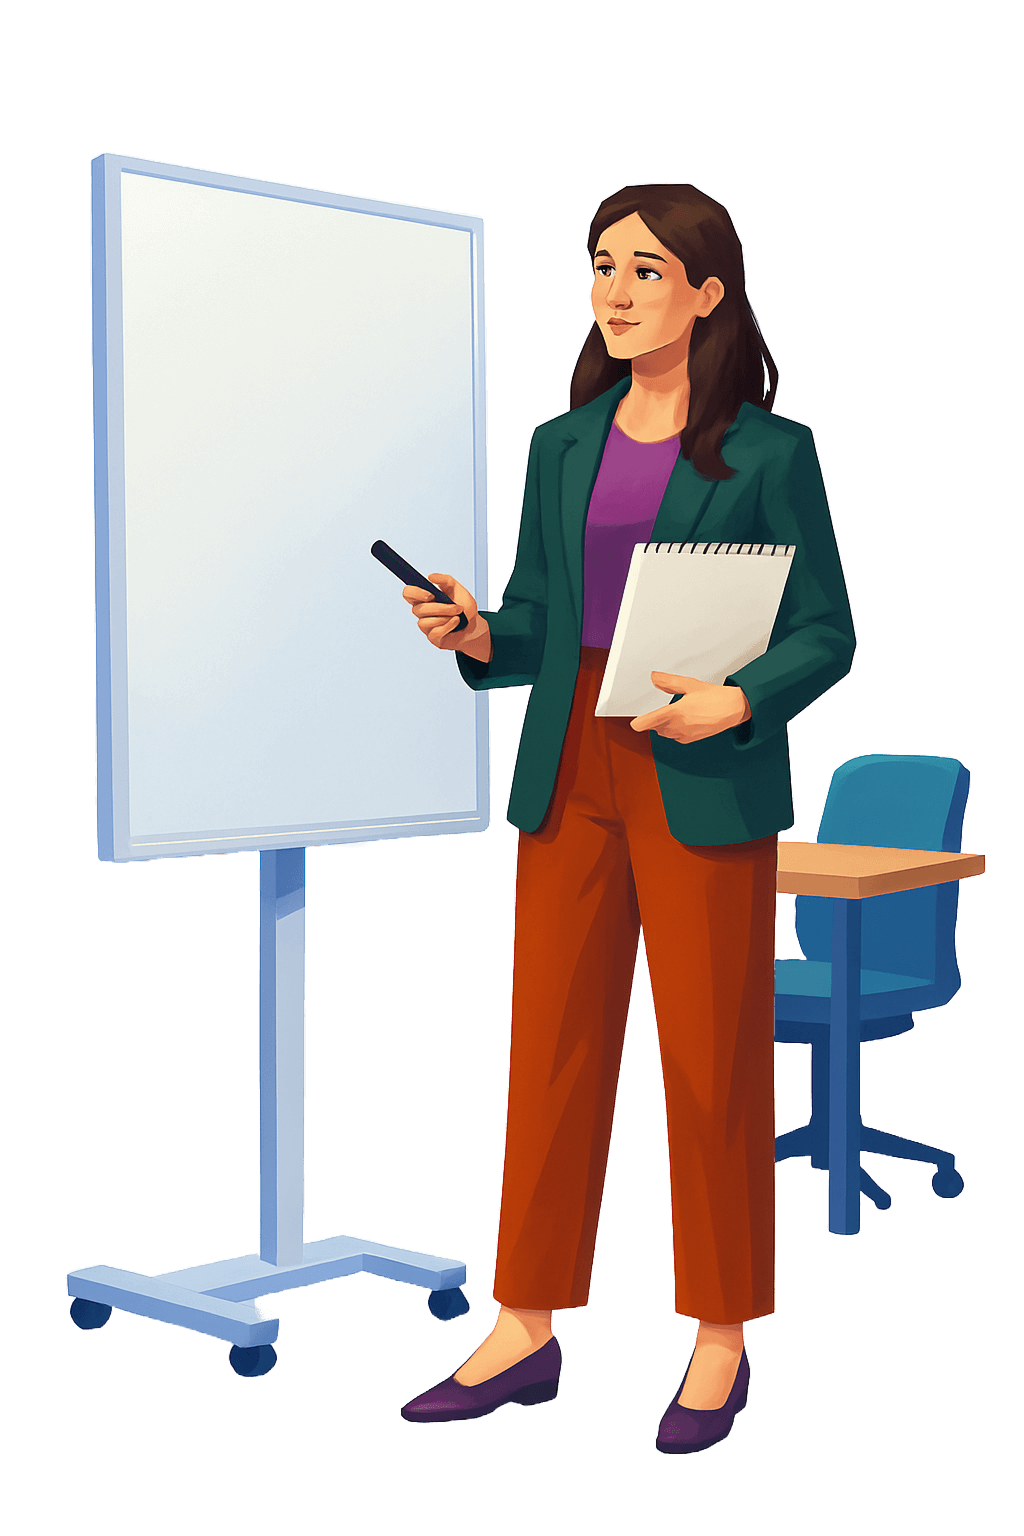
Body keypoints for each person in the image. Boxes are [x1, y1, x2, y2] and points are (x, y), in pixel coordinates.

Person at [398, 183, 856, 1453]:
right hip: (570, 769)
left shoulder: (773, 452)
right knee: (546, 1054)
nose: (615, 288)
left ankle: (718, 1338)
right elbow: (536, 621)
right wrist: (476, 634)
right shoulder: (562, 442)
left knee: (709, 1062)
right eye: (603, 264)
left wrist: (741, 699)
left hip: (698, 770)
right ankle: (524, 1325)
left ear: (708, 291)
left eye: (646, 268)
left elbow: (828, 631)